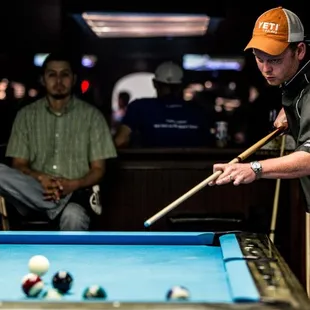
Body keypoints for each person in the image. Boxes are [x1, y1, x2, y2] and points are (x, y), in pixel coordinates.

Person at [0, 52, 117, 230]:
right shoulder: (26, 115)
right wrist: (41, 178)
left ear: (74, 79)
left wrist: (73, 185)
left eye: (65, 74)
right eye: (52, 74)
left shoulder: (93, 116)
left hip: (76, 194)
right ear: (43, 79)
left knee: (73, 216)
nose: (59, 80)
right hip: (34, 192)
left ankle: (64, 203)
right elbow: (19, 165)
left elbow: (99, 170)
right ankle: (58, 203)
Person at [210, 6, 310, 211]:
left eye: (275, 60)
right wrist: (290, 111)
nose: (266, 69)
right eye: (259, 58)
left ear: (299, 51)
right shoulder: (294, 86)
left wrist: (255, 168)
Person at [114, 61, 215, 148]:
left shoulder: (139, 107)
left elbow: (121, 140)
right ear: (181, 85)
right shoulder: (198, 110)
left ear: (154, 83)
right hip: (196, 168)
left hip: (148, 167)